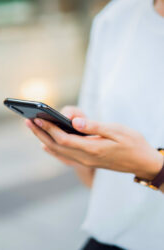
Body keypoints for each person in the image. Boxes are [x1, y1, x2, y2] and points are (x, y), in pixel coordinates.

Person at [25, 0, 164, 249]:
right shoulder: (115, 18)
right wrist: (79, 147)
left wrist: (154, 170)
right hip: (112, 236)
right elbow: (93, 179)